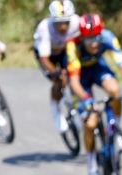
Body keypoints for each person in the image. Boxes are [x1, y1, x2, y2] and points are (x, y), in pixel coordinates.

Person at [66, 13, 122, 175]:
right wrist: (86, 99)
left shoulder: (108, 37)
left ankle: (115, 132)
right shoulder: (72, 45)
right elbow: (74, 83)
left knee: (115, 91)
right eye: (88, 39)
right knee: (91, 124)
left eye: (96, 38)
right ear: (81, 37)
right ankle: (91, 168)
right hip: (79, 77)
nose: (93, 43)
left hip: (98, 68)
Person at [33, 0, 79, 134]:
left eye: (66, 22)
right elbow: (44, 59)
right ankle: (55, 108)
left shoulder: (77, 22)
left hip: (64, 51)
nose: (63, 27)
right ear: (52, 20)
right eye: (59, 23)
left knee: (76, 76)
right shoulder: (45, 28)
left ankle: (76, 104)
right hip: (47, 56)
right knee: (60, 81)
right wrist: (57, 74)